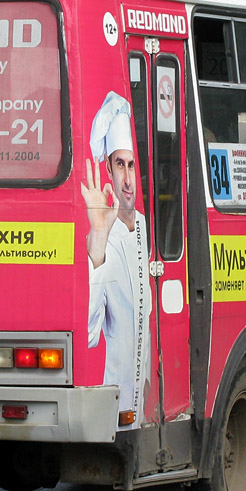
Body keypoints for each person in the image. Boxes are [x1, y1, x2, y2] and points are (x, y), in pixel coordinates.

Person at [82, 91, 151, 429]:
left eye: (132, 165)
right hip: (118, 411)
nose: (127, 179)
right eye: (120, 165)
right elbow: (89, 334)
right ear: (108, 168)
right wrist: (98, 240)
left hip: (148, 401)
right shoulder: (101, 238)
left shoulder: (145, 228)